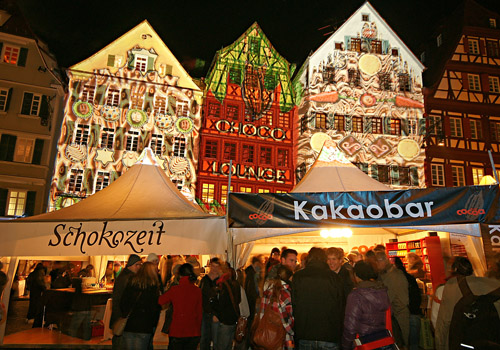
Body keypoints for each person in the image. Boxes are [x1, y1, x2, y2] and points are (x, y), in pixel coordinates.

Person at [434, 256, 500, 350]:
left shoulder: (451, 286)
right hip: (492, 341)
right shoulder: (493, 285)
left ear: (454, 270)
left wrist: (440, 345)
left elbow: (444, 321)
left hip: (463, 342)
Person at [292, 247, 344, 350]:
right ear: (324, 259)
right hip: (329, 334)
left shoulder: (298, 277)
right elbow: (341, 306)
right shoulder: (334, 278)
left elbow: (294, 304)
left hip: (305, 333)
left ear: (309, 259)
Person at [342, 261, 391, 350]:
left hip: (363, 342)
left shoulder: (356, 295)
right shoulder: (382, 291)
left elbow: (350, 326)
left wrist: (346, 346)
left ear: (356, 275)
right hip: (382, 340)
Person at [159, 263, 203, 350]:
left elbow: (160, 301)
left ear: (180, 275)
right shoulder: (197, 291)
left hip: (177, 331)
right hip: (193, 331)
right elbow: (199, 313)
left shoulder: (175, 290)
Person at [120, 262, 161, 350]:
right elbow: (154, 309)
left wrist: (125, 314)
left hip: (129, 324)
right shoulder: (153, 287)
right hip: (144, 326)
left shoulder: (131, 283)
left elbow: (123, 302)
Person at [375, 251, 410, 349]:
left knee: (400, 343)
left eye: (377, 262)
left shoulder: (394, 275)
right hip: (394, 314)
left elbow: (388, 298)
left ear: (383, 261)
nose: (376, 265)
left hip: (398, 315)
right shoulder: (388, 274)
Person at [257, 265, 294, 350]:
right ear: (288, 278)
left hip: (267, 337)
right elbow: (287, 322)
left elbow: (261, 315)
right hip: (285, 339)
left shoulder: (267, 292)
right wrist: (293, 332)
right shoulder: (286, 294)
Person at [110, 254, 142, 350]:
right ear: (131, 265)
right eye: (137, 264)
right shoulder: (128, 277)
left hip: (120, 315)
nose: (139, 267)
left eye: (140, 264)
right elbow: (125, 299)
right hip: (123, 316)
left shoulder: (124, 275)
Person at [212, 265, 241, 350]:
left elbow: (221, 304)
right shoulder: (236, 284)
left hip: (225, 320)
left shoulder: (223, 285)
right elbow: (238, 300)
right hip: (234, 318)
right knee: (228, 345)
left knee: (222, 345)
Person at [395, 257, 421, 350]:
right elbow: (417, 296)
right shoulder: (410, 278)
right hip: (414, 313)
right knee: (414, 344)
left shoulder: (395, 280)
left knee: (403, 343)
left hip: (402, 314)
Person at [199, 257, 222, 350]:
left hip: (215, 313)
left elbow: (221, 300)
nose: (214, 269)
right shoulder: (204, 280)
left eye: (216, 267)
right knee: (204, 338)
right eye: (213, 266)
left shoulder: (221, 281)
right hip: (205, 312)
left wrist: (217, 314)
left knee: (216, 339)